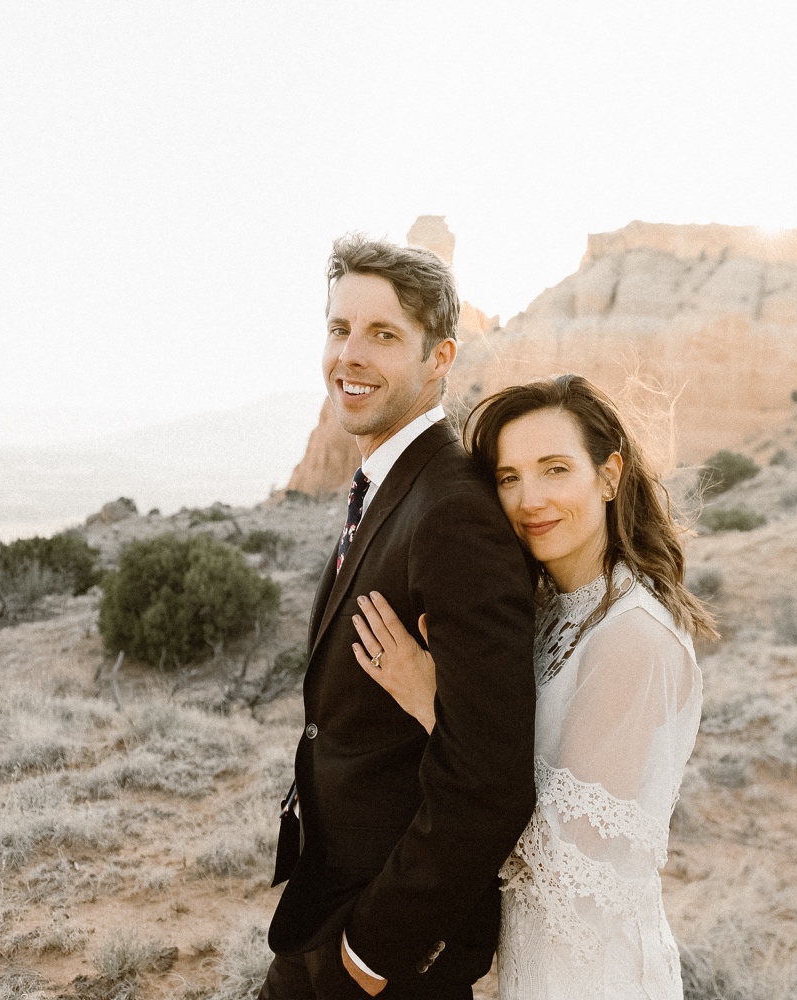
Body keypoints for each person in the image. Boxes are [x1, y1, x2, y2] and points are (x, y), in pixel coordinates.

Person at [351, 374, 715, 1000]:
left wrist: (435, 706)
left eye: (554, 470)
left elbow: (572, 864)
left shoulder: (634, 640)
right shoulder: (553, 610)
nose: (529, 501)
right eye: (509, 478)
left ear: (608, 475)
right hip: (538, 968)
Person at [261, 235, 538, 999]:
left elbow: (490, 778)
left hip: (390, 939)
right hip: (329, 900)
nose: (350, 355)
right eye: (339, 329)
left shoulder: (452, 511)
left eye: (383, 335)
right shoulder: (390, 483)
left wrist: (375, 949)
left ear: (439, 357)